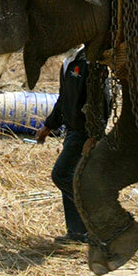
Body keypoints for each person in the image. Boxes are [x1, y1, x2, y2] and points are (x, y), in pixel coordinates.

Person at [36, 46, 105, 243]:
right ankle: (78, 232)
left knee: (62, 174)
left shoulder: (90, 61)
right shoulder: (69, 61)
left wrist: (94, 135)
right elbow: (63, 99)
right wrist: (49, 125)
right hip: (71, 129)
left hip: (84, 131)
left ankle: (99, 218)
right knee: (73, 177)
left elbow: (102, 100)